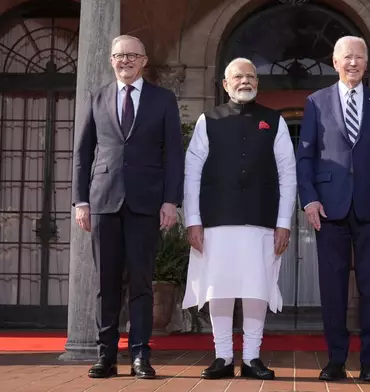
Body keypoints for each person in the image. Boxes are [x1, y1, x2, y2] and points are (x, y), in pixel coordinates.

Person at [72, 35, 184, 380]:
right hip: (103, 201)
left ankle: (140, 355)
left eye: (132, 56)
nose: (125, 61)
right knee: (106, 283)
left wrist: (170, 201)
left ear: (144, 61)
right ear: (110, 60)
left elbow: (174, 156)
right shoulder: (97, 97)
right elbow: (82, 153)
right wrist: (81, 200)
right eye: (119, 56)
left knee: (141, 283)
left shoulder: (163, 100)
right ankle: (105, 355)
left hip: (146, 203)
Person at [182, 57, 297, 380]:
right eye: (238, 77)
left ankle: (251, 358)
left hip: (261, 221)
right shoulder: (209, 120)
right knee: (219, 288)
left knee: (255, 288)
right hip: (216, 220)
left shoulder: (274, 121)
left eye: (250, 77)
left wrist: (283, 222)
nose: (245, 81)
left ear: (257, 83)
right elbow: (192, 172)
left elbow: (288, 174)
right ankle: (222, 356)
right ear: (225, 84)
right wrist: (192, 219)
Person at [296, 36, 370, 382]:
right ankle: (336, 360)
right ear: (335, 61)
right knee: (333, 287)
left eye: (359, 57)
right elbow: (306, 157)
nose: (353, 63)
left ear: (367, 63)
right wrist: (309, 198)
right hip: (329, 208)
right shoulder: (315, 102)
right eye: (347, 57)